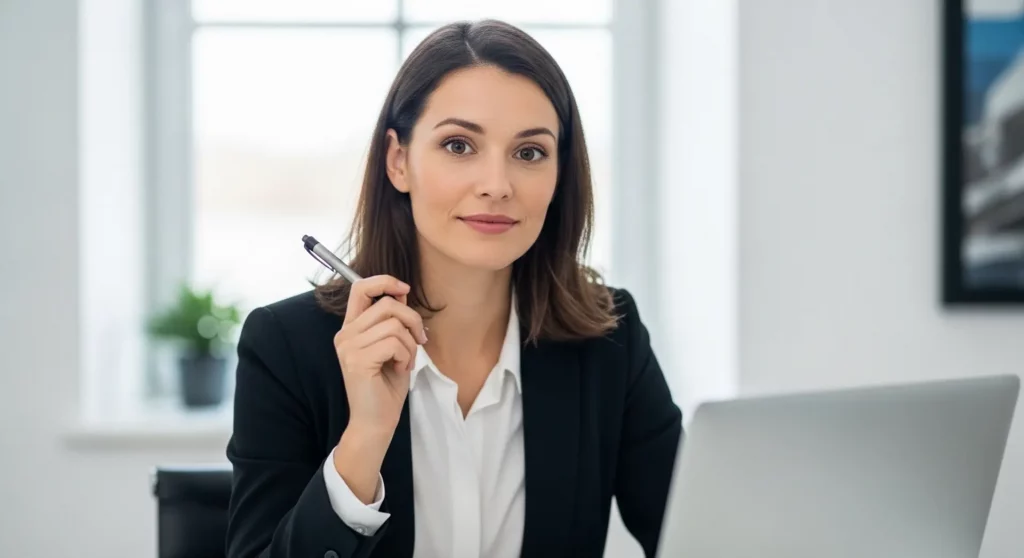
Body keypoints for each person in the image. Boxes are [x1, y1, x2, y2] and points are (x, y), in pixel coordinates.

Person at [224, 19, 683, 558]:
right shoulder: (287, 347)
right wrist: (365, 438)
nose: (496, 184)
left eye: (529, 152)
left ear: (560, 173)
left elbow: (704, 534)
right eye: (459, 145)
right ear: (399, 161)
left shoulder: (611, 340)